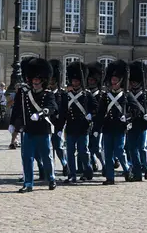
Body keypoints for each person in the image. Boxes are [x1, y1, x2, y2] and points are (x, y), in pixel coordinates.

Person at [11, 57, 58, 193]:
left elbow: (52, 107)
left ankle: (51, 178)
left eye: (38, 80)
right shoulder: (26, 94)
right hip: (29, 129)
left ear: (42, 80)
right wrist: (13, 124)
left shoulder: (48, 94)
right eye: (34, 79)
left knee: (46, 157)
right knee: (27, 157)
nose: (35, 82)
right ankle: (28, 183)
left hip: (43, 129)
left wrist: (41, 114)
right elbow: (18, 109)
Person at [95, 60, 142, 184]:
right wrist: (96, 128)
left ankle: (127, 170)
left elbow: (136, 110)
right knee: (108, 153)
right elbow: (100, 113)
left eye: (116, 80)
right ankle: (110, 177)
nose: (113, 82)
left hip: (120, 127)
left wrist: (127, 117)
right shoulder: (106, 96)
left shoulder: (126, 95)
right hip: (108, 127)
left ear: (121, 81)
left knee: (120, 151)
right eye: (112, 80)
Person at [62, 61, 97, 183]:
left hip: (83, 127)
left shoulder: (87, 95)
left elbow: (96, 109)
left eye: (77, 81)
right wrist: (59, 127)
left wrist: (91, 115)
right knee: (70, 152)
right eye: (73, 81)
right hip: (71, 127)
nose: (75, 83)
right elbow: (63, 111)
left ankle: (87, 171)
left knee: (83, 152)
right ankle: (72, 174)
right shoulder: (67, 95)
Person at [127, 61, 147, 180]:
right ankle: (137, 170)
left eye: (136, 81)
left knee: (142, 147)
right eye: (132, 81)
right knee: (132, 148)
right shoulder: (127, 94)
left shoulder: (146, 94)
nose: (133, 84)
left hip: (143, 124)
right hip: (131, 123)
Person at [48, 59, 70, 177]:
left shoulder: (62, 94)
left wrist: (61, 125)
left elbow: (64, 110)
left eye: (53, 80)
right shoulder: (46, 93)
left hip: (58, 123)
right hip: (47, 123)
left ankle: (64, 164)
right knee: (47, 148)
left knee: (58, 146)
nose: (51, 83)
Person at [86, 62, 106, 172]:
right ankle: (93, 162)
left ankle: (105, 165)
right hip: (87, 123)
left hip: (98, 124)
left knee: (97, 147)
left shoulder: (101, 95)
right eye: (89, 80)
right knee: (89, 147)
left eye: (93, 80)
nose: (91, 82)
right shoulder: (86, 94)